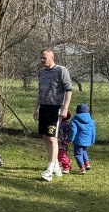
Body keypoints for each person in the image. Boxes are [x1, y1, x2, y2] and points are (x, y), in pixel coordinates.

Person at [34, 49, 73, 181]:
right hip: (43, 108)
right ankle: (56, 166)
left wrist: (65, 108)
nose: (42, 60)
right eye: (41, 57)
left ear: (52, 57)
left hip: (55, 109)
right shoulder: (41, 72)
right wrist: (37, 108)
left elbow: (69, 89)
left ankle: (49, 171)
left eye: (44, 57)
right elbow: (40, 92)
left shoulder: (61, 70)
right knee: (45, 138)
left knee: (52, 139)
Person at [69, 103, 97, 173]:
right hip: (87, 141)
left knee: (78, 154)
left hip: (78, 141)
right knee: (84, 151)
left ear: (77, 111)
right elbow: (93, 132)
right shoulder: (91, 120)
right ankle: (87, 164)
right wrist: (92, 140)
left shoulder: (74, 120)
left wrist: (71, 139)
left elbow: (73, 131)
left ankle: (82, 168)